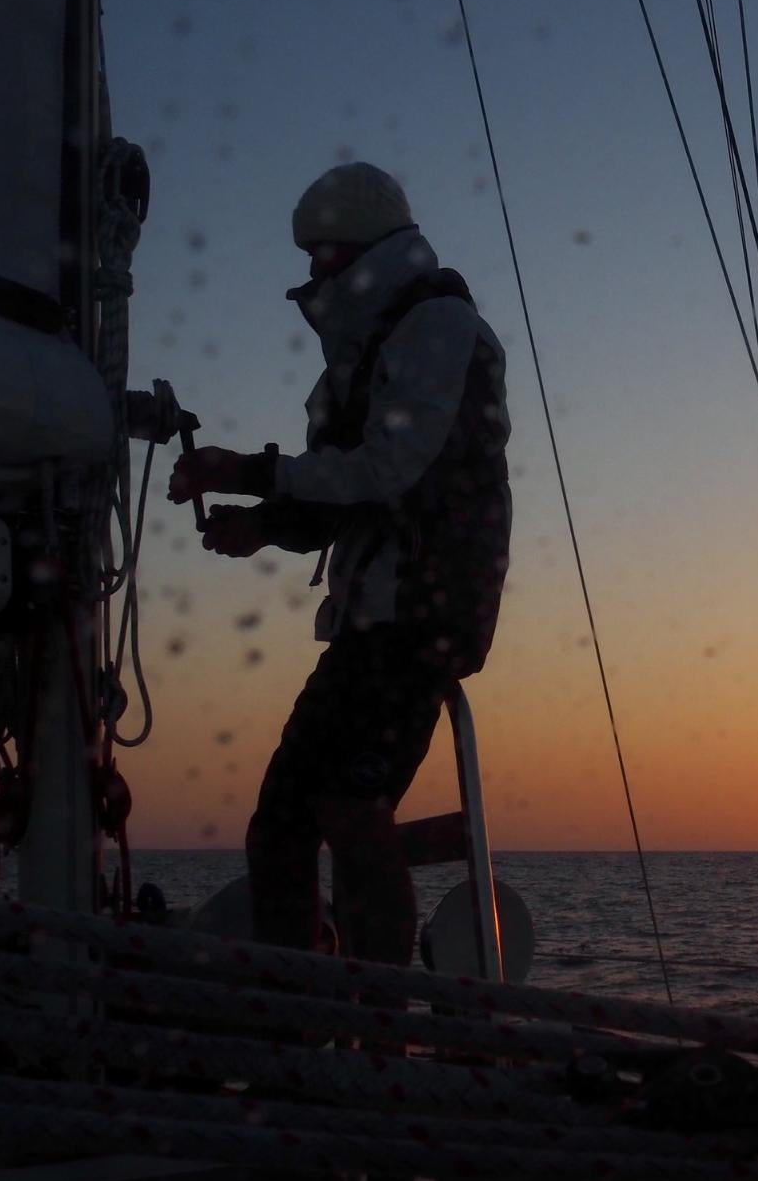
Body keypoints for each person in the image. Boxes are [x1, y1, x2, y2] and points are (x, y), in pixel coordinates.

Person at [168, 161, 511, 966]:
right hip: (371, 620)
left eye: (324, 252)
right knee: (280, 823)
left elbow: (392, 468)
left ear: (362, 249)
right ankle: (300, 1013)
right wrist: (263, 526)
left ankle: (379, 1026)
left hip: (423, 614)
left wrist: (249, 472)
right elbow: (344, 492)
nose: (313, 268)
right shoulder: (357, 361)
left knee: (351, 806)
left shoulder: (439, 328)